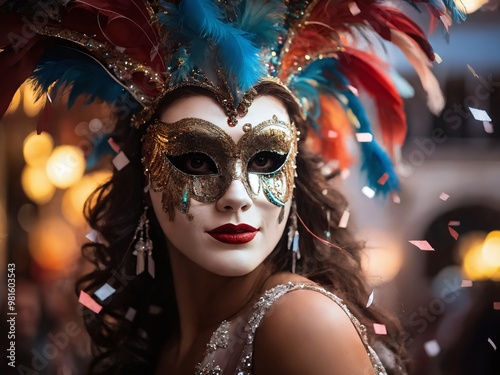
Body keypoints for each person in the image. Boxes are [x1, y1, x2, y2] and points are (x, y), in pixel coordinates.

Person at [0, 1, 464, 374]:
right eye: (197, 160)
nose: (237, 195)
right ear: (144, 175)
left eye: (266, 160)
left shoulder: (300, 323)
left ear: (295, 172)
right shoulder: (163, 341)